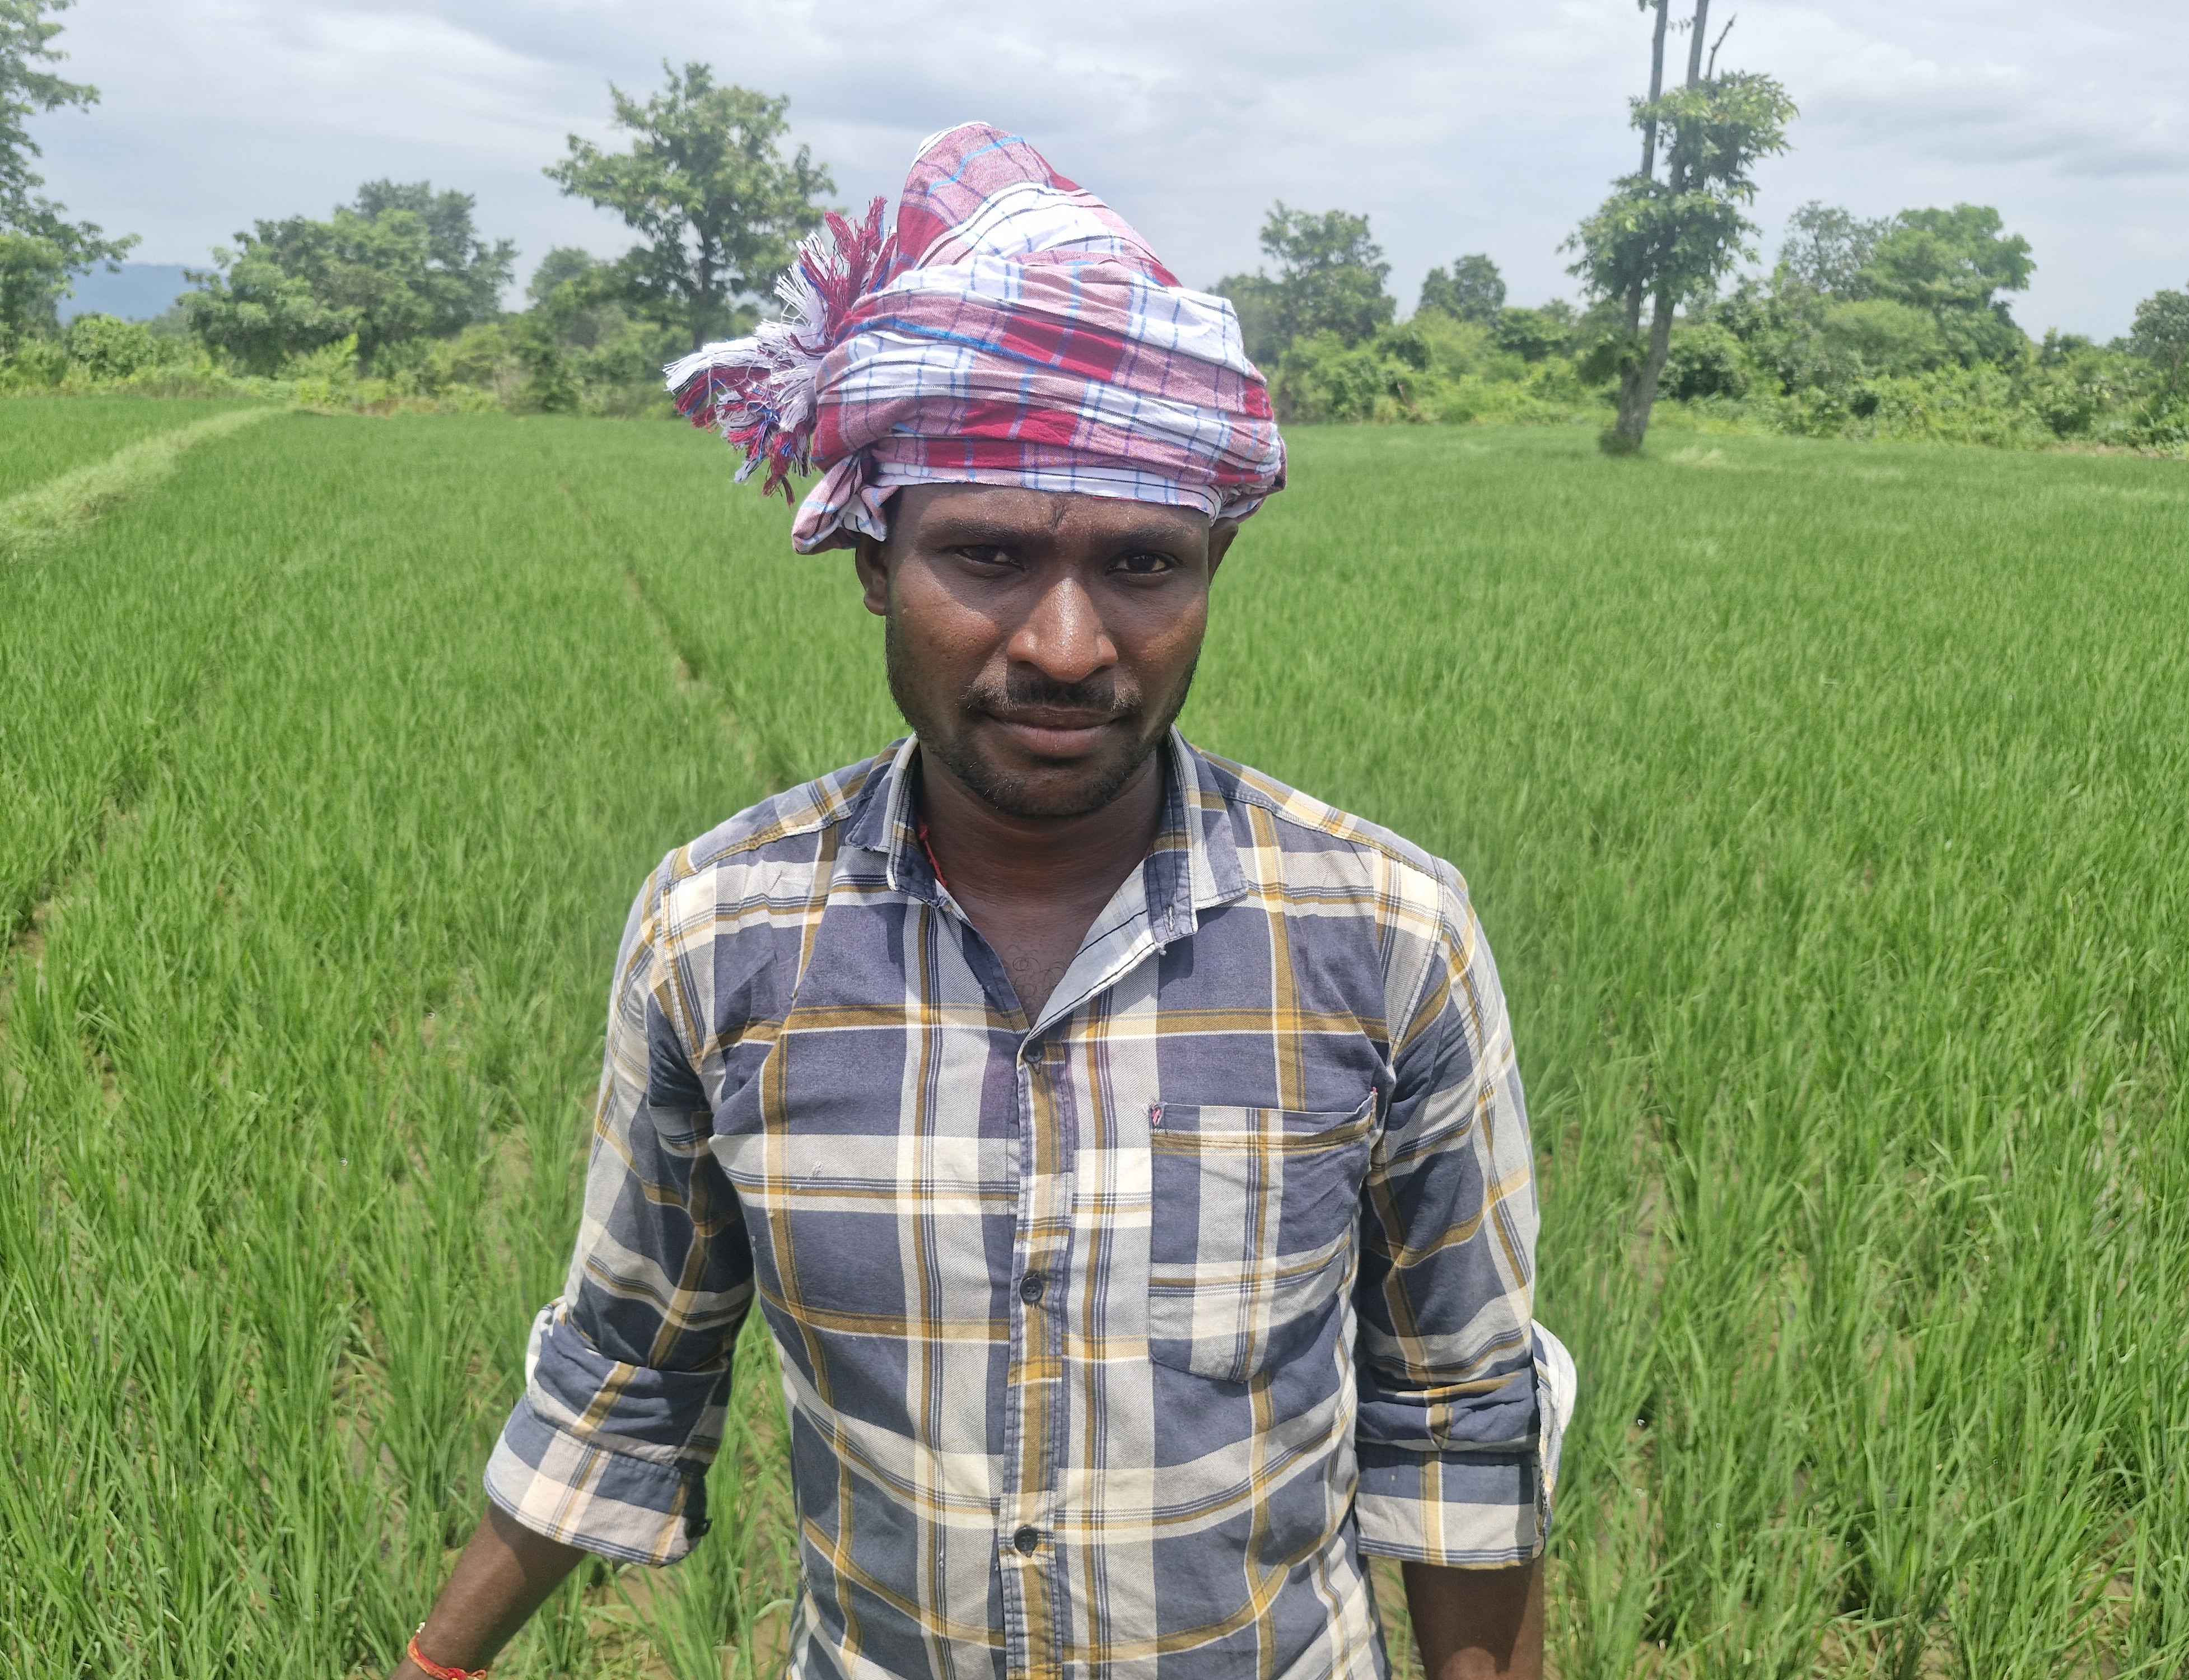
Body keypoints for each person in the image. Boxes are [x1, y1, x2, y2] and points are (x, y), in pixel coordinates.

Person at [392, 123, 1574, 1680]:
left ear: (1213, 568)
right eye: (990, 556)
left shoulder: (1386, 935)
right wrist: (436, 1665)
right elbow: (628, 1366)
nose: (1068, 646)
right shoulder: (723, 935)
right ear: (873, 561)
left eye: (1143, 566)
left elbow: (1460, 1415)